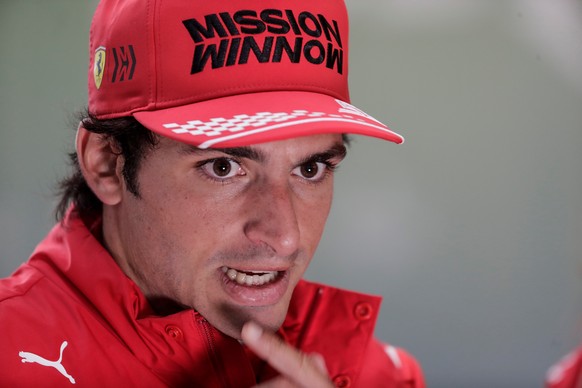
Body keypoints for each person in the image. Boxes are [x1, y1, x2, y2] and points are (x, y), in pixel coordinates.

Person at [0, 0, 425, 386]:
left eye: (310, 169)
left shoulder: (381, 376)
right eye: (223, 167)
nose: (285, 236)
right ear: (106, 164)